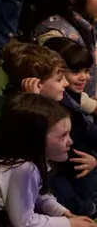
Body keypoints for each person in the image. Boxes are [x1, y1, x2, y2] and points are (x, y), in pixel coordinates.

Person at [0, 93, 95, 226]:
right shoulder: (24, 168)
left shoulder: (24, 155)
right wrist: (68, 224)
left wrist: (62, 213)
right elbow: (24, 222)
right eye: (63, 136)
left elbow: (39, 194)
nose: (70, 141)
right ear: (36, 139)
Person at [43, 38, 97, 216]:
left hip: (82, 167)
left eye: (87, 71)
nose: (84, 77)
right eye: (75, 71)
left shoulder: (76, 97)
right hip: (68, 173)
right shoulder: (58, 103)